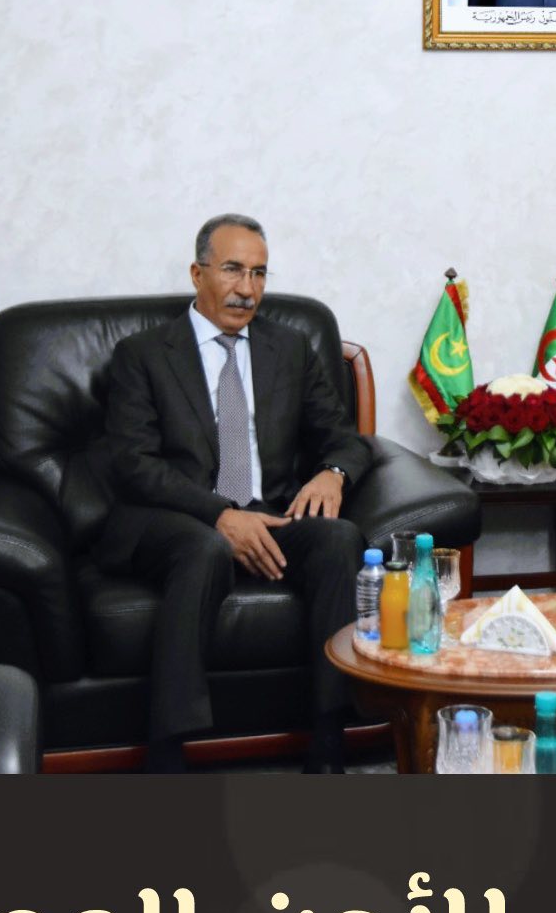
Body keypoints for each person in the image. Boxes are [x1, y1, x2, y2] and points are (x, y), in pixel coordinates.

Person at [97, 214, 370, 775]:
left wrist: (333, 473)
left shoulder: (290, 347)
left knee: (340, 540)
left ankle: (329, 744)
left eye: (259, 273)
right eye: (232, 270)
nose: (247, 288)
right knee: (204, 548)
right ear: (197, 273)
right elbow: (133, 464)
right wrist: (219, 514)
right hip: (176, 516)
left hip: (269, 513)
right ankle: (167, 754)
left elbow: (343, 437)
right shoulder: (143, 353)